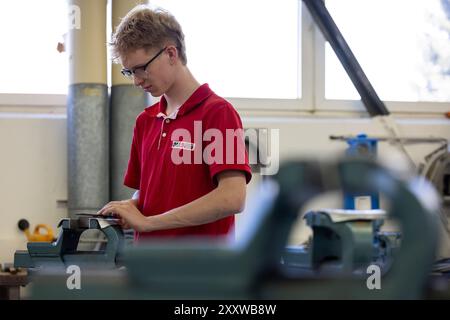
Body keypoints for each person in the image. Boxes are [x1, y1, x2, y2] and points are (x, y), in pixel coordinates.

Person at [98, 5, 252, 241]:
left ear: (171, 53)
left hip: (196, 271)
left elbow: (232, 197)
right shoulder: (146, 121)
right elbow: (149, 194)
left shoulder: (218, 114)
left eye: (141, 69)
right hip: (149, 267)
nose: (137, 81)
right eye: (129, 73)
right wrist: (129, 207)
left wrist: (149, 223)